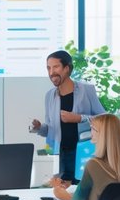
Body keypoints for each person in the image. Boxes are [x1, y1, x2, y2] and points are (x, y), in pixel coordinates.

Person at [30, 49, 106, 181]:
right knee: (62, 193)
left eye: (56, 67)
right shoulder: (49, 96)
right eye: (48, 68)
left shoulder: (86, 90)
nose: (51, 72)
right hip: (61, 154)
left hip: (84, 152)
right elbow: (50, 129)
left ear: (67, 68)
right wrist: (38, 128)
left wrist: (78, 118)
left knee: (82, 193)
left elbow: (105, 119)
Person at [49, 114, 120, 200]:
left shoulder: (94, 165)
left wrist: (58, 191)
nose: (91, 132)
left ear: (103, 135)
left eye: (93, 129)